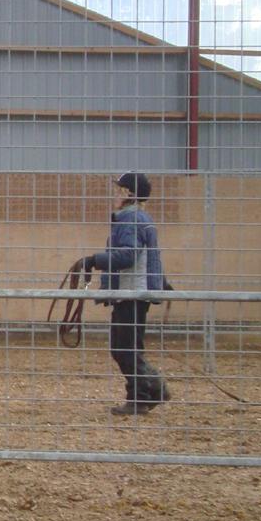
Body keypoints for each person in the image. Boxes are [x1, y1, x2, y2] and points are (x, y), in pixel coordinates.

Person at [81, 172, 170, 416]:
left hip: (131, 293)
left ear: (129, 194)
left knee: (124, 348)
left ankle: (147, 392)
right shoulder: (140, 218)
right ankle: (146, 392)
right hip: (134, 292)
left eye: (119, 189)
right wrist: (160, 281)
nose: (114, 193)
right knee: (126, 347)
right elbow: (148, 256)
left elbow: (129, 255)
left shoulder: (130, 220)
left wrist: (94, 260)